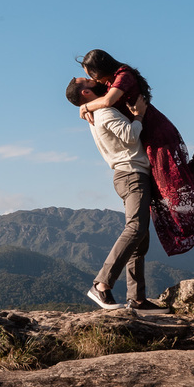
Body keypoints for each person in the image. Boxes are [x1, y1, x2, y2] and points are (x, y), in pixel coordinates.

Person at [74, 49, 194, 257]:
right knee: (165, 182)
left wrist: (84, 107)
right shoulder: (110, 82)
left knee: (169, 185)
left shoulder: (123, 76)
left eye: (92, 73)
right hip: (146, 133)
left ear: (100, 67)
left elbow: (108, 102)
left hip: (155, 131)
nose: (92, 78)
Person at [66, 77, 164, 312]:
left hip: (129, 175)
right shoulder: (105, 113)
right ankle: (101, 284)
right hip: (132, 174)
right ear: (86, 93)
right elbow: (130, 136)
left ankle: (138, 300)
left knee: (140, 240)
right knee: (136, 229)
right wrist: (139, 115)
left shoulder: (96, 112)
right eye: (87, 80)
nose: (94, 80)